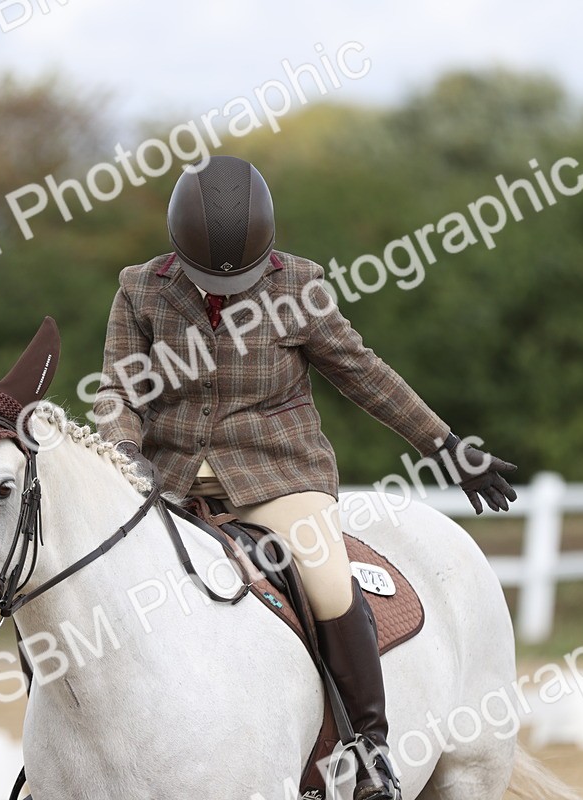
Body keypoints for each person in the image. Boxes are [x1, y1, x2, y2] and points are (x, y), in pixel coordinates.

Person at [94, 155, 517, 800]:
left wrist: (444, 444)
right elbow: (118, 391)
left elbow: (363, 373)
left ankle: (369, 749)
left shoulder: (298, 287)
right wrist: (123, 457)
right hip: (167, 480)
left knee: (327, 584)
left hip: (277, 475)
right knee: (95, 589)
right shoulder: (140, 289)